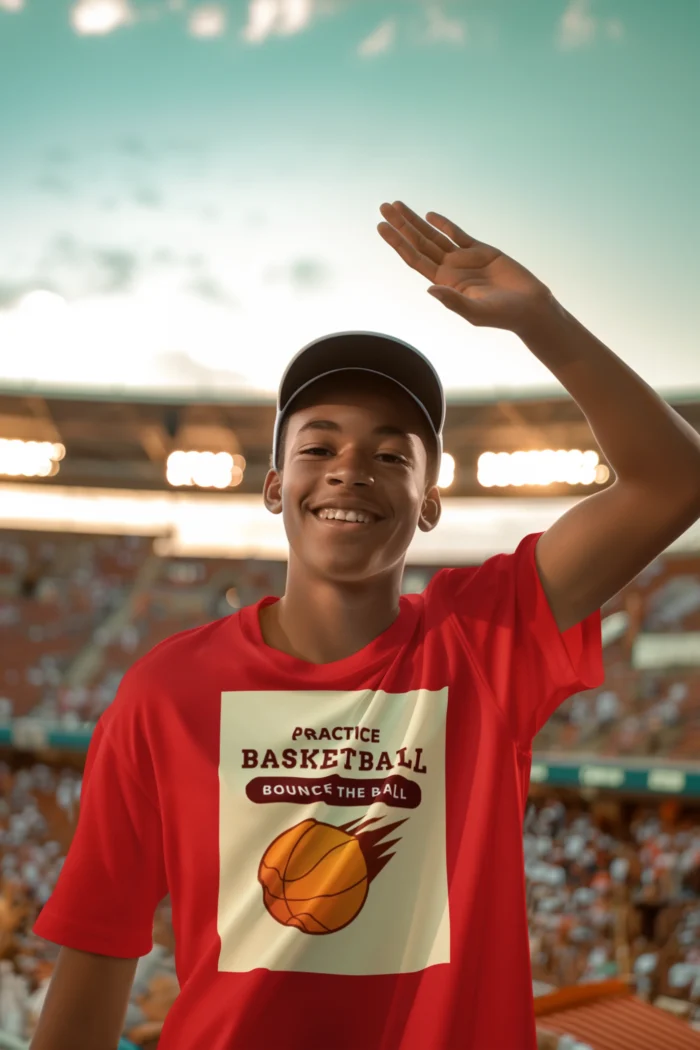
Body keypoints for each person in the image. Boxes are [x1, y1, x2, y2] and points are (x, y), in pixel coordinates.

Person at [29, 201, 700, 1050]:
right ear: (274, 487)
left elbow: (673, 478)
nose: (350, 470)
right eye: (317, 447)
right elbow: (96, 949)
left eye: (391, 455)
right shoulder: (167, 688)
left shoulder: (484, 642)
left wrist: (543, 322)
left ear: (429, 504)